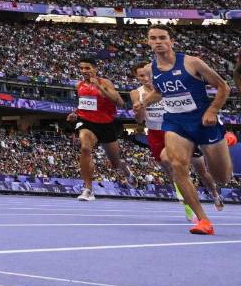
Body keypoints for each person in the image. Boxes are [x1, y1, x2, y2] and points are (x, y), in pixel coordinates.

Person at [138, 26, 233, 235]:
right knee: (176, 165)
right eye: (153, 38)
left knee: (222, 177)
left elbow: (223, 87)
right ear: (148, 42)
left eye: (162, 37)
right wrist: (143, 102)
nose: (158, 41)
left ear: (171, 41)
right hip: (176, 122)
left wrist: (212, 110)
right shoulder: (150, 68)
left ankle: (224, 138)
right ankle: (203, 221)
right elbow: (159, 92)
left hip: (203, 122)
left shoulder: (192, 62)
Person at [131, 62, 222, 221]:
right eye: (141, 76)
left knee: (202, 171)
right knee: (171, 169)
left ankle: (214, 193)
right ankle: (187, 203)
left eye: (148, 75)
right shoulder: (136, 93)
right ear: (137, 77)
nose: (146, 78)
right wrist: (140, 108)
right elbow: (139, 120)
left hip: (175, 130)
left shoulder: (167, 86)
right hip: (154, 134)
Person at [67, 56, 134, 200]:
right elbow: (84, 104)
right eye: (81, 68)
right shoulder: (79, 85)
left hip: (106, 124)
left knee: (115, 163)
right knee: (85, 148)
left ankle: (126, 170)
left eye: (87, 68)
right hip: (86, 122)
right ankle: (88, 189)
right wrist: (75, 113)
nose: (84, 71)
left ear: (95, 69)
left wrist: (99, 87)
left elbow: (120, 103)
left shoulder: (105, 82)